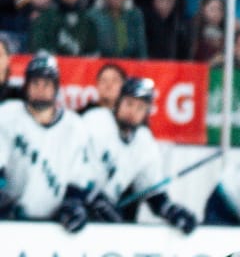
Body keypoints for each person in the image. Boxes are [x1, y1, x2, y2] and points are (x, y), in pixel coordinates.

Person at [77, 76, 199, 232]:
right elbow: (71, 166)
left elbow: (152, 191)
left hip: (99, 219)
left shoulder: (144, 142)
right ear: (118, 102)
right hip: (73, 206)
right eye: (129, 104)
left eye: (140, 107)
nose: (133, 111)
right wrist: (92, 197)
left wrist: (170, 210)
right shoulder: (95, 121)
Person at [0, 51, 95, 230]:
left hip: (54, 228)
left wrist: (73, 204)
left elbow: (79, 178)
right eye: (35, 83)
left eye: (47, 84)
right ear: (26, 86)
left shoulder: (74, 127)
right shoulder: (7, 115)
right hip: (9, 224)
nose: (41, 89)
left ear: (56, 88)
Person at [30, 0, 97, 55]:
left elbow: (93, 55)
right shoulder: (45, 18)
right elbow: (38, 50)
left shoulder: (88, 21)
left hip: (80, 68)